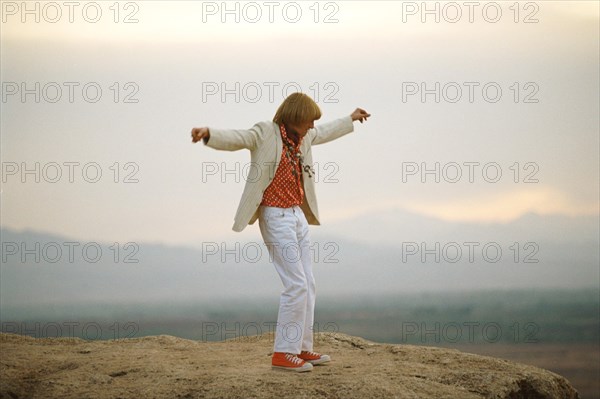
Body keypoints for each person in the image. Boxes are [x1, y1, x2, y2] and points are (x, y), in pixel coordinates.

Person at [191, 93, 370, 372]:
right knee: (295, 284)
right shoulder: (266, 133)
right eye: (309, 120)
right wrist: (209, 135)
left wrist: (350, 119)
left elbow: (323, 132)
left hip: (297, 214)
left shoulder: (305, 137)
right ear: (296, 117)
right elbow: (240, 137)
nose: (312, 126)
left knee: (308, 283)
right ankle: (283, 353)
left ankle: (302, 347)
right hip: (275, 216)